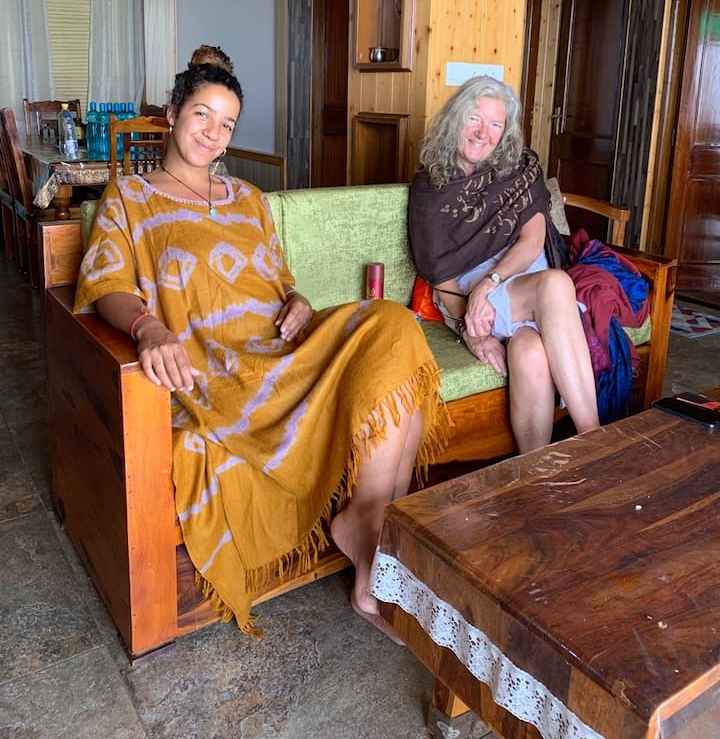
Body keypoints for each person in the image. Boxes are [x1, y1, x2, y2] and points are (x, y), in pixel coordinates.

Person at [75, 62, 448, 639]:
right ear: (172, 114)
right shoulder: (130, 198)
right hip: (216, 363)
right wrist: (148, 328)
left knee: (394, 325)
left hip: (284, 345)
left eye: (226, 124)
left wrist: (298, 300)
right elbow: (108, 286)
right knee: (388, 345)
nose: (213, 132)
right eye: (202, 114)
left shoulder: (249, 198)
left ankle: (364, 519)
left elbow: (278, 281)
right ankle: (371, 547)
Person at [409, 76, 599, 453]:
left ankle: (534, 472)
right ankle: (595, 440)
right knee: (556, 284)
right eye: (474, 119)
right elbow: (440, 274)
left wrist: (491, 282)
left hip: (517, 284)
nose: (483, 133)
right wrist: (471, 331)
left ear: (505, 132)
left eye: (495, 124)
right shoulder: (431, 186)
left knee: (530, 352)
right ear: (455, 120)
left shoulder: (520, 171)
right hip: (472, 301)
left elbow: (533, 242)